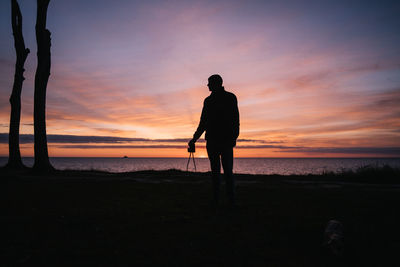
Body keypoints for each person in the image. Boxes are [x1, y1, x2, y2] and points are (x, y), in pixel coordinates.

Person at [189, 74, 240, 207]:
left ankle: (228, 201)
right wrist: (194, 138)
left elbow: (235, 119)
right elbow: (203, 122)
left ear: (216, 83)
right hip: (214, 141)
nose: (207, 85)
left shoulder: (229, 98)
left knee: (226, 171)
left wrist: (234, 137)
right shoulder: (209, 100)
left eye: (209, 83)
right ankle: (219, 200)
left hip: (223, 140)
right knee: (218, 172)